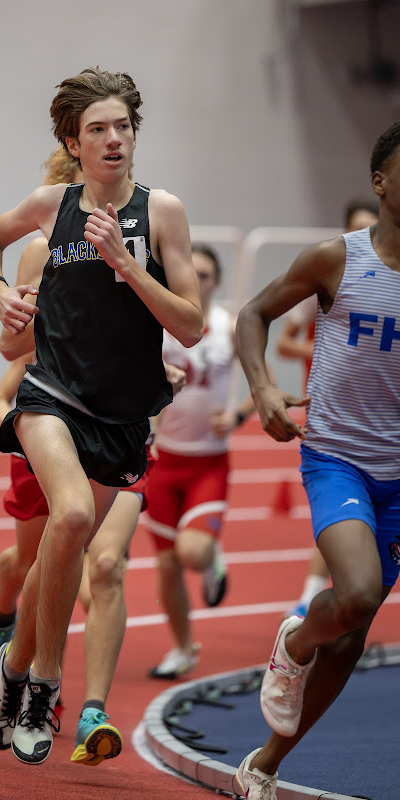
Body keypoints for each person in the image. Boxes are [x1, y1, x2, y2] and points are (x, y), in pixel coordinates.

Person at [0, 67, 203, 765]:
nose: (113, 139)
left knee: (64, 549)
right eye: (97, 129)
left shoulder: (163, 213)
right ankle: (45, 686)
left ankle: (14, 670)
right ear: (73, 144)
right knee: (71, 517)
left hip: (123, 416)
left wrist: (128, 266)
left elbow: (190, 326)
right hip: (52, 395)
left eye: (122, 127)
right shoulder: (53, 207)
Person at [233, 121, 400, 799]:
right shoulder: (337, 259)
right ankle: (297, 642)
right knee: (354, 596)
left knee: (353, 636)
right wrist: (263, 388)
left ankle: (264, 764)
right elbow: (253, 314)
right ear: (380, 182)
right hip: (339, 458)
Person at [144, 244, 256, 680]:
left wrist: (237, 416)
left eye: (205, 274)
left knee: (191, 553)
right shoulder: (159, 323)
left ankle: (210, 557)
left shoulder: (229, 327)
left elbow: (261, 381)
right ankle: (182, 648)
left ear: (217, 281)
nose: (197, 280)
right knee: (167, 564)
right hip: (163, 460)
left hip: (208, 462)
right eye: (191, 272)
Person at [276, 197, 379, 619]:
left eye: (370, 227)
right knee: (340, 513)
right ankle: (310, 597)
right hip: (329, 414)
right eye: (356, 227)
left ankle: (337, 601)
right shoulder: (327, 276)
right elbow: (284, 344)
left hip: (381, 417)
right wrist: (331, 349)